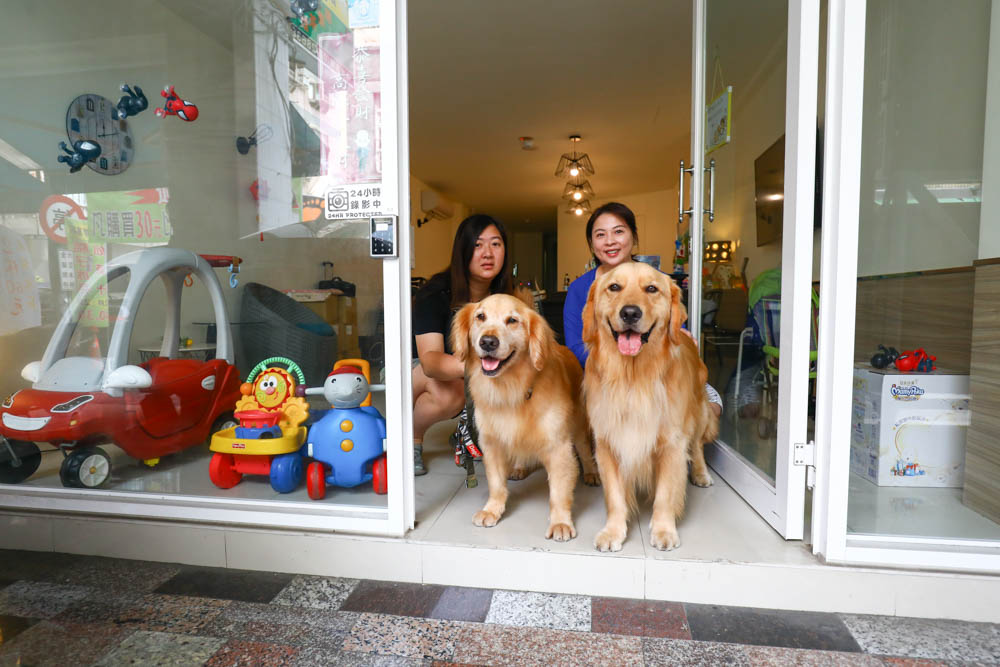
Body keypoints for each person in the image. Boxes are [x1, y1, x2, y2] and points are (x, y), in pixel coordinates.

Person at [563, 202, 723, 416]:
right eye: (600, 235)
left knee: (708, 409)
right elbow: (575, 347)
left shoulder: (658, 281)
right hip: (604, 380)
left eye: (618, 231)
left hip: (657, 376)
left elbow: (675, 332)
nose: (610, 241)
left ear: (634, 237)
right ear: (592, 244)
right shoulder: (580, 289)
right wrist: (616, 363)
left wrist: (682, 338)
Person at [411, 214, 516, 475]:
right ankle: (410, 439)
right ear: (463, 251)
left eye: (496, 244)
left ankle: (469, 432)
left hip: (471, 372)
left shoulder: (507, 298)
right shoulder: (435, 293)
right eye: (478, 245)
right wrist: (483, 364)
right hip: (419, 372)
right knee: (451, 393)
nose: (488, 253)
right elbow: (431, 361)